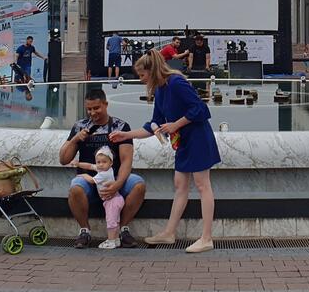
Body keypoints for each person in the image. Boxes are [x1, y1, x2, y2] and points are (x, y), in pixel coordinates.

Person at [110, 50, 221, 253]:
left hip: (197, 138)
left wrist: (174, 125)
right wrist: (125, 135)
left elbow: (201, 110)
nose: (141, 80)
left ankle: (206, 238)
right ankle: (169, 232)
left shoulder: (176, 83)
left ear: (152, 71)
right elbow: (154, 123)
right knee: (180, 185)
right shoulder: (160, 90)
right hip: (184, 141)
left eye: (143, 75)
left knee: (202, 184)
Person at [60, 89, 145, 249]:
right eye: (89, 109)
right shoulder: (80, 126)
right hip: (90, 181)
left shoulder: (120, 126)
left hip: (114, 180)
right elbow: (64, 159)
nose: (93, 112)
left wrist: (117, 184)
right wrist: (75, 140)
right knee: (75, 187)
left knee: (138, 184)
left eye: (97, 108)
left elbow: (127, 161)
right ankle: (84, 230)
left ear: (106, 105)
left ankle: (123, 229)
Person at [71, 146, 125, 249]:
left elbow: (91, 180)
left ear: (111, 163)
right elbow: (90, 166)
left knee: (111, 221)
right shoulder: (103, 168)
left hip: (112, 201)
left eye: (104, 162)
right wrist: (78, 164)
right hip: (114, 199)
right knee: (116, 220)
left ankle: (111, 241)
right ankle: (116, 239)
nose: (100, 164)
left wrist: (82, 175)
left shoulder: (104, 174)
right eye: (98, 162)